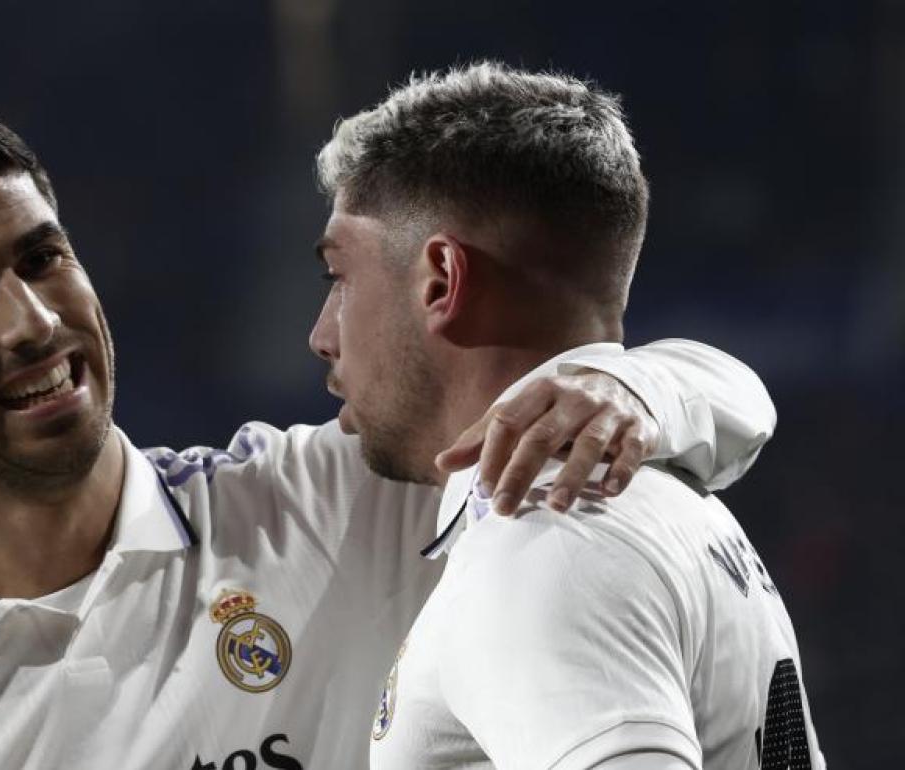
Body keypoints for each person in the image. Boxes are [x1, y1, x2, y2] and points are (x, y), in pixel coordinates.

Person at [0, 103, 776, 769]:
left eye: (43, 258)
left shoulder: (330, 497)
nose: (32, 322)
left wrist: (628, 382)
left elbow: (724, 400)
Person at [307, 61, 824, 768]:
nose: (321, 334)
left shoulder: (545, 537)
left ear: (441, 281)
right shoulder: (665, 496)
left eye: (338, 276)